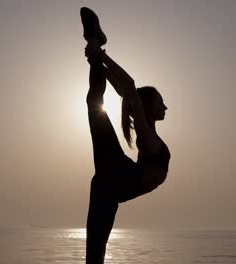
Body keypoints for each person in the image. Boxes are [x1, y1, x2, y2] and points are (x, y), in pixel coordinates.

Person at [80, 7, 171, 264]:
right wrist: (102, 58)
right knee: (93, 103)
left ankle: (95, 40)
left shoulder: (147, 133)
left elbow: (125, 92)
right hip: (118, 173)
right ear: (148, 108)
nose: (165, 107)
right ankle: (96, 42)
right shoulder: (145, 134)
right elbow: (129, 89)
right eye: (161, 103)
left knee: (93, 101)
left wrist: (98, 60)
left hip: (109, 183)